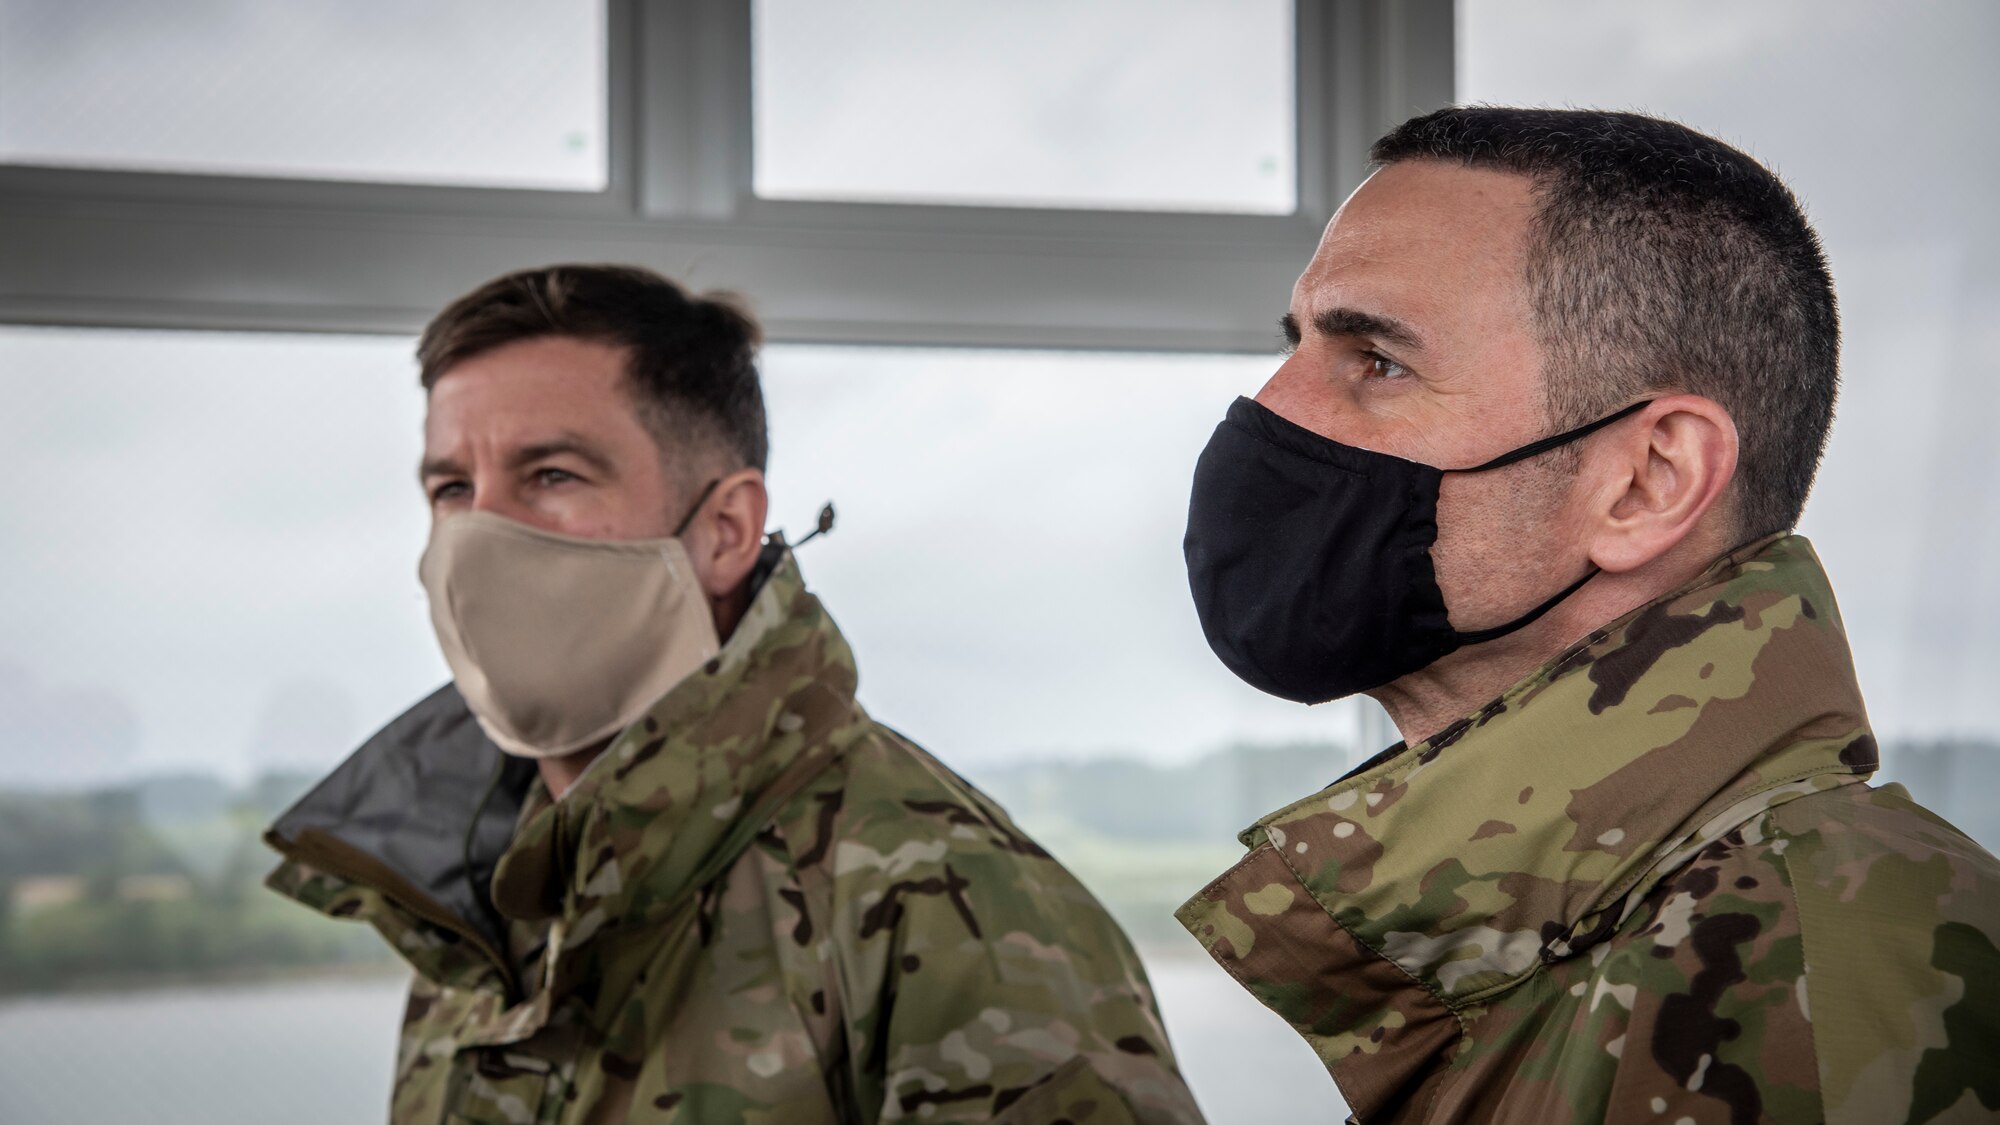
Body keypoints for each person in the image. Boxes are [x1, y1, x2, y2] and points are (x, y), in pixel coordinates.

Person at [1177, 108, 2000, 1124]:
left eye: (1375, 361)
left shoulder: (1813, 974)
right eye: (1293, 345)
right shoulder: (1590, 941)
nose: (1270, 409)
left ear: (1647, 482)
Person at [264, 265, 1204, 1125]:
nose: (477, 537)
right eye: (451, 487)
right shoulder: (478, 903)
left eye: (551, 474)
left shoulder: (961, 910)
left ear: (724, 531)